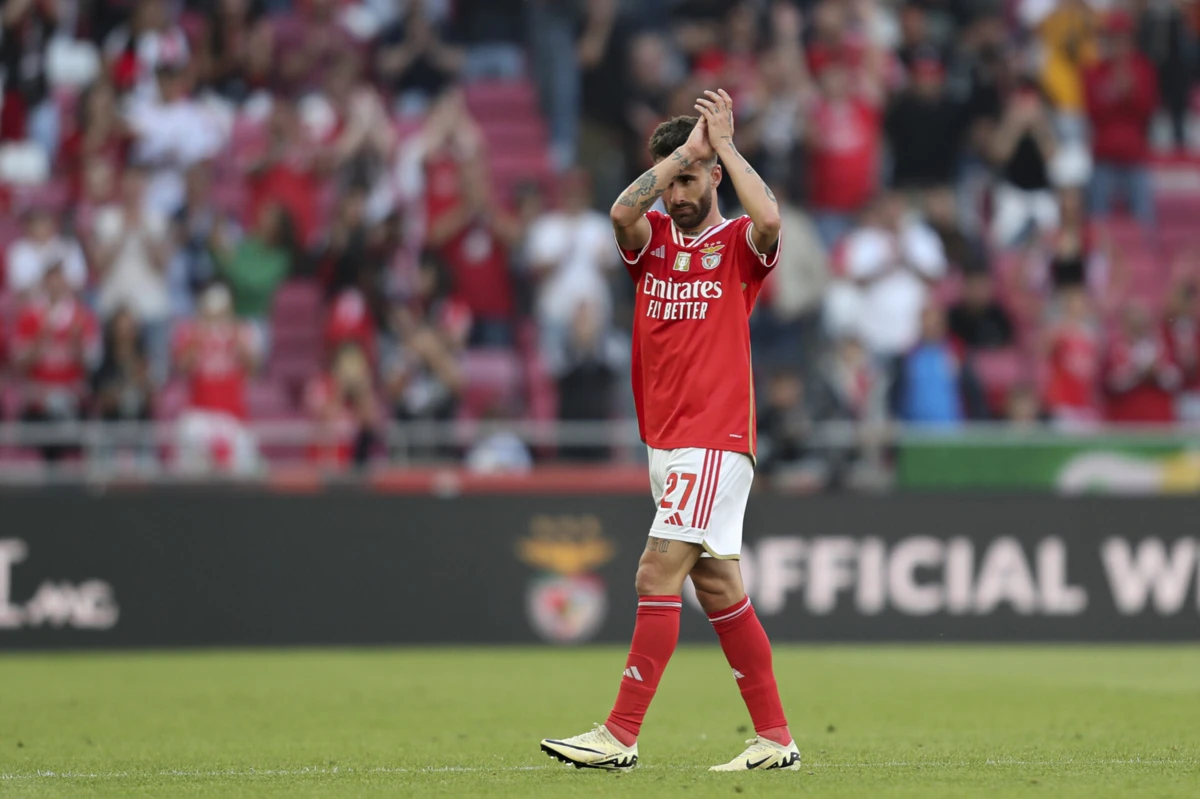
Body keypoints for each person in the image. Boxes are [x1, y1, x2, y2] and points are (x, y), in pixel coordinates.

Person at [540, 92, 800, 772]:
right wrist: (683, 152)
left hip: (714, 436)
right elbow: (622, 211)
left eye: (690, 177)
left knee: (655, 568)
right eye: (671, 177)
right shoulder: (650, 242)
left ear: (715, 177)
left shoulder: (735, 246)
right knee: (718, 589)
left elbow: (770, 217)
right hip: (667, 440)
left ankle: (620, 733)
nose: (677, 192)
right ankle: (776, 738)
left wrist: (726, 148)